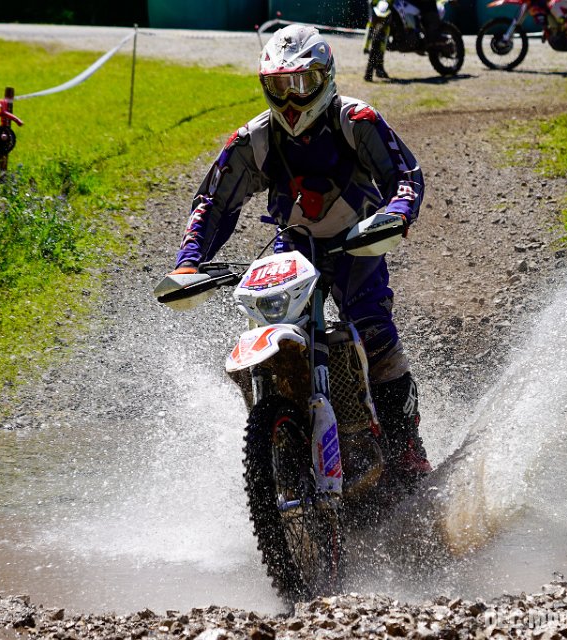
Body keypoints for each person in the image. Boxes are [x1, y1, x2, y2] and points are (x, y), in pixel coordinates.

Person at [169, 24, 432, 488]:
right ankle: (281, 438)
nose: (291, 99)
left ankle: (406, 448)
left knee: (373, 331)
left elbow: (405, 175)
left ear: (325, 78)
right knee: (274, 331)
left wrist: (396, 214)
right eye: (279, 86)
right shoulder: (254, 139)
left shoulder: (357, 120)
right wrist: (189, 260)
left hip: (357, 241)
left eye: (302, 83)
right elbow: (213, 202)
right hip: (294, 245)